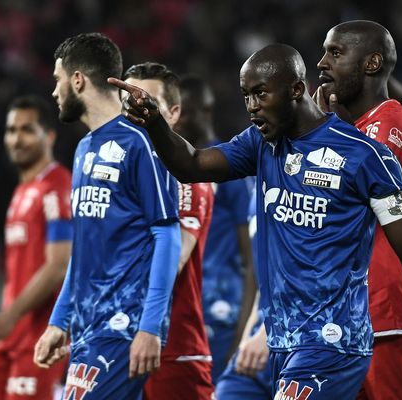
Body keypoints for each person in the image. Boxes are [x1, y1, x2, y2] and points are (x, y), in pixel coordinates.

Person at [110, 43, 402, 399]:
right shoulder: (260, 144)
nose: (251, 108)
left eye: (260, 94)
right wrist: (155, 123)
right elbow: (192, 164)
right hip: (283, 342)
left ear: (296, 89)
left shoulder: (365, 155)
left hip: (333, 342)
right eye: (246, 96)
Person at [33, 33, 181, 399]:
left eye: (58, 80)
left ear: (78, 80)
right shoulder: (85, 148)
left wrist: (150, 328)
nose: (54, 92)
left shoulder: (142, 141)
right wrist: (59, 321)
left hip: (122, 326)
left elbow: (167, 234)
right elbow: (84, 252)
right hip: (86, 327)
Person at [314, 20, 402, 399]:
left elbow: (352, 192)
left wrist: (325, 130)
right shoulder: (348, 129)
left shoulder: (393, 123)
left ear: (370, 64)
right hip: (344, 320)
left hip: (391, 318)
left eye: (335, 53)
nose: (321, 63)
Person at [121, 62, 215, 400]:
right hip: (116, 342)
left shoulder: (188, 179)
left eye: (147, 102)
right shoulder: (112, 172)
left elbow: (174, 257)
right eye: (127, 101)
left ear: (173, 113)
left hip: (173, 351)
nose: (136, 110)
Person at [0, 95, 72, 400]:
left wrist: (7, 317)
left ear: (49, 136)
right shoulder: (21, 192)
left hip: (39, 337)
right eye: (11, 130)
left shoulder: (58, 187)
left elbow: (59, 264)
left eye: (27, 130)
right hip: (10, 334)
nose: (17, 139)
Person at [175, 75, 256, 381]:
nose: (176, 118)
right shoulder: (171, 168)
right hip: (185, 309)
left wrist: (242, 335)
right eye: (173, 109)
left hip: (222, 312)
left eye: (185, 110)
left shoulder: (228, 167)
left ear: (206, 112)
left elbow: (251, 261)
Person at [215, 185, 273, 400]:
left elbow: (313, 272)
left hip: (303, 340)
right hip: (257, 337)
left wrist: (266, 333)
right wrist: (244, 341)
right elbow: (263, 280)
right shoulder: (259, 189)